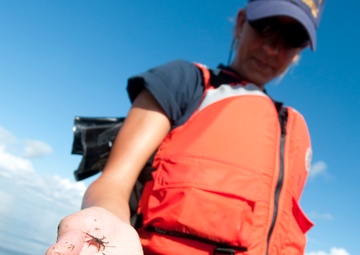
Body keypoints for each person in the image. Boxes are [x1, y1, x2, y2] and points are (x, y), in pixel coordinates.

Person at [46, 0, 325, 254]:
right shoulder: (187, 82)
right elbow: (115, 180)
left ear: (298, 54)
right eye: (265, 27)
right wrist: (103, 219)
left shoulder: (296, 132)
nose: (272, 48)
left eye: (292, 38)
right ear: (241, 23)